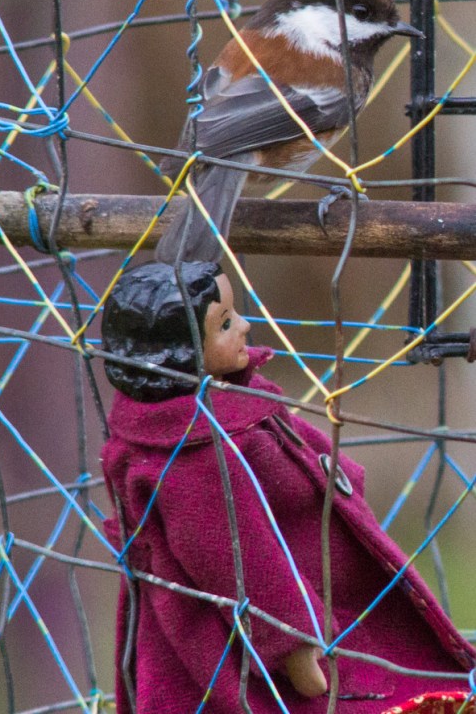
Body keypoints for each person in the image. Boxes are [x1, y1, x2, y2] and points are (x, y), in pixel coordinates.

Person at [100, 261, 475, 713]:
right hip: (269, 641)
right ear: (180, 351)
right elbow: (242, 558)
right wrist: (292, 644)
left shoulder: (213, 413)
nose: (245, 326)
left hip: (323, 598)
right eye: (225, 323)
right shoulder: (195, 457)